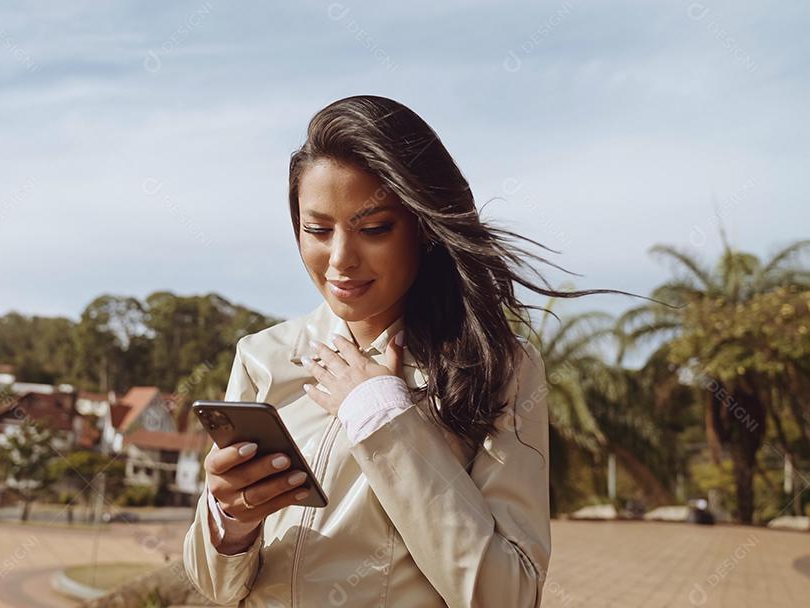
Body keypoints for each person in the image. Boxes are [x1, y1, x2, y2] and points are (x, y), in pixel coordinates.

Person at [183, 95, 622, 606]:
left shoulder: (498, 366)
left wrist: (382, 416)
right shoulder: (263, 356)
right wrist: (230, 521)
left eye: (373, 229)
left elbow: (509, 595)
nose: (341, 259)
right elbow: (216, 588)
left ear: (424, 227)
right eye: (318, 230)